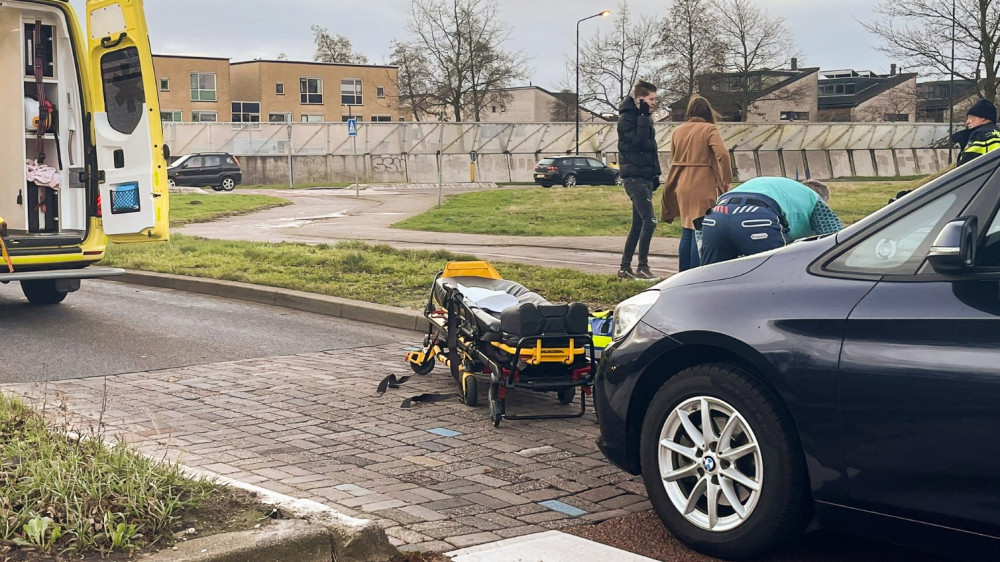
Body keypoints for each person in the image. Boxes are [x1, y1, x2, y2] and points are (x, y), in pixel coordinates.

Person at [700, 177, 843, 266]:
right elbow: (837, 237)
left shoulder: (780, 188)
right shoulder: (813, 198)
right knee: (776, 273)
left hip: (715, 217)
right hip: (756, 218)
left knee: (712, 275)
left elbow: (700, 234)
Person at [660, 95, 733, 271]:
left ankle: (683, 272)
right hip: (702, 183)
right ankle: (695, 272)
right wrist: (726, 180)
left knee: (687, 229)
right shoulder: (709, 129)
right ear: (708, 112)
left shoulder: (678, 131)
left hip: (681, 183)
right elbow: (722, 155)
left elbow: (674, 157)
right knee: (699, 229)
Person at [616, 80, 662, 281]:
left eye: (654, 99)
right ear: (639, 99)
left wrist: (655, 175)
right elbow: (638, 142)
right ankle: (642, 266)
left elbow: (651, 151)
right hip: (634, 179)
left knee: (637, 225)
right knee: (649, 221)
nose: (654, 103)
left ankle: (624, 268)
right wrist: (643, 116)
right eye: (651, 99)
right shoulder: (627, 119)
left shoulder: (645, 119)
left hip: (645, 178)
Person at [951, 99, 1000, 166]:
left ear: (983, 117)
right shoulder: (997, 132)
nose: (967, 122)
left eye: (970, 117)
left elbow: (966, 165)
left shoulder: (979, 134)